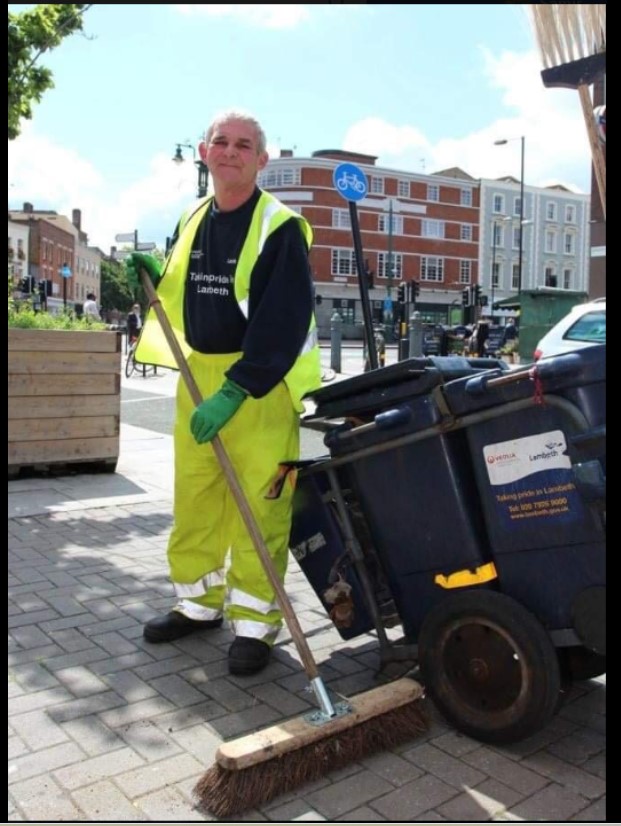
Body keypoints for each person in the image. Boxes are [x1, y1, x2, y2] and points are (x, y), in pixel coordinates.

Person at [127, 110, 322, 675]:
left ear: (262, 160)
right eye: (221, 142)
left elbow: (281, 321)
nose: (231, 151)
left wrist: (235, 392)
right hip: (200, 377)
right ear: (204, 154)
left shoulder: (278, 227)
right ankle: (196, 604)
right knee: (197, 500)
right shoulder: (193, 216)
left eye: (244, 145)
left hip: (261, 386)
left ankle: (256, 625)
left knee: (260, 506)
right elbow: (186, 287)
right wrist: (154, 272)